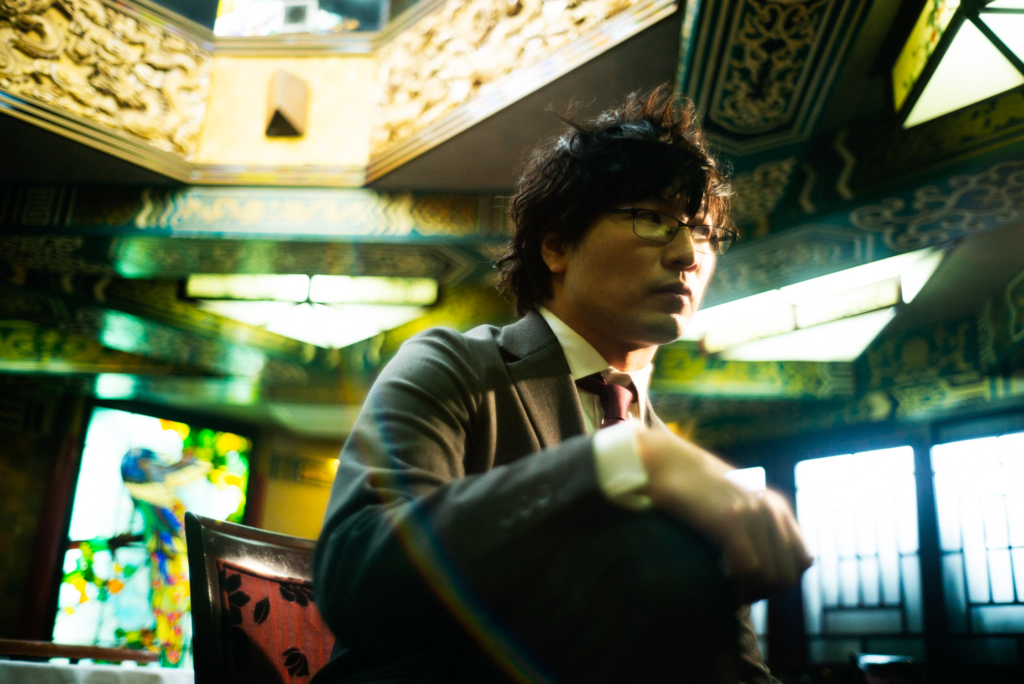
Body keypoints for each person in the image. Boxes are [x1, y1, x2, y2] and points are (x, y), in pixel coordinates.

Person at [312, 86, 812, 684]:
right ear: (556, 246)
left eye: (702, 231)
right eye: (652, 219)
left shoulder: (669, 457)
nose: (687, 253)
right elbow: (356, 577)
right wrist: (618, 461)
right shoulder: (454, 366)